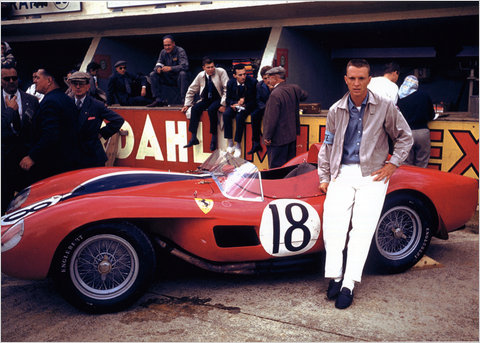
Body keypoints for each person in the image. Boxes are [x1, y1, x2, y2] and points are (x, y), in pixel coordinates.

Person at [318, 59, 413, 309]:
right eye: (353, 78)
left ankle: (349, 284)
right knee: (333, 227)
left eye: (362, 78)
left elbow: (405, 137)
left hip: (373, 175)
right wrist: (324, 177)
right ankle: (336, 277)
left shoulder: (385, 106)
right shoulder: (335, 110)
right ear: (346, 79)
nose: (357, 83)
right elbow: (327, 146)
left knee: (362, 229)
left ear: (369, 79)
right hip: (343, 173)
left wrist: (393, 164)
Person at [19, 68, 81, 183]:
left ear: (49, 80)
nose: (34, 81)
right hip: (66, 164)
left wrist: (32, 156)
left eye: (38, 77)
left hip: (52, 167)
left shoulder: (50, 102)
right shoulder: (66, 99)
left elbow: (50, 134)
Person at [1, 66, 39, 213]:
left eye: (14, 78)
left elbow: (37, 130)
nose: (11, 81)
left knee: (28, 203)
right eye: (7, 79)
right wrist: (10, 110)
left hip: (26, 160)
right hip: (4, 163)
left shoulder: (31, 100)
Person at [68, 71, 125, 168]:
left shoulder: (97, 105)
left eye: (81, 84)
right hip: (71, 157)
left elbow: (118, 120)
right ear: (71, 86)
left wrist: (102, 133)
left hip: (92, 157)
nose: (78, 87)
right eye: (75, 84)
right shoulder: (65, 103)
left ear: (88, 86)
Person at [263, 66, 308, 168]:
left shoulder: (275, 94)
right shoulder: (294, 88)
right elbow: (305, 95)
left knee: (276, 170)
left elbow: (272, 118)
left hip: (278, 140)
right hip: (291, 137)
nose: (268, 81)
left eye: (269, 78)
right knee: (289, 168)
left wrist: (267, 136)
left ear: (275, 78)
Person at [182, 56, 229, 151]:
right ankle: (193, 137)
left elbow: (226, 88)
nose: (211, 69)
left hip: (218, 99)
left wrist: (223, 104)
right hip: (206, 98)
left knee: (212, 110)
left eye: (212, 67)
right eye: (208, 67)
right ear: (203, 67)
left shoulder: (221, 72)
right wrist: (187, 104)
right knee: (195, 108)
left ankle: (214, 138)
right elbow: (191, 89)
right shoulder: (201, 75)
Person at [397, 75, 435, 168]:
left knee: (406, 163)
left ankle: (407, 182)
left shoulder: (398, 97)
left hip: (405, 134)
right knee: (422, 162)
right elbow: (431, 115)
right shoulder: (424, 95)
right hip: (422, 132)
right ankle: (419, 182)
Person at [223, 64, 257, 158]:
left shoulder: (253, 82)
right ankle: (230, 143)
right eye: (240, 75)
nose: (243, 77)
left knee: (240, 117)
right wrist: (234, 104)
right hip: (235, 105)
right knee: (226, 114)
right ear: (234, 76)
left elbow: (255, 100)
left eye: (244, 74)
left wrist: (244, 103)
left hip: (247, 106)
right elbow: (228, 99)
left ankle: (238, 145)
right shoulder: (230, 83)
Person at [148, 35, 189, 107]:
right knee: (153, 74)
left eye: (169, 45)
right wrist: (158, 68)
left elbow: (185, 66)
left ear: (173, 43)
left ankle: (184, 100)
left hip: (178, 78)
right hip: (168, 78)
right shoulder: (163, 52)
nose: (167, 47)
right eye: (165, 45)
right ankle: (158, 100)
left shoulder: (180, 51)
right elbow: (159, 63)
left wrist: (171, 68)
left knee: (183, 73)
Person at [247, 65, 272, 155]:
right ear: (262, 78)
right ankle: (256, 143)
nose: (267, 80)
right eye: (265, 78)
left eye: (269, 77)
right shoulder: (259, 85)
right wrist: (265, 108)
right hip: (264, 107)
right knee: (254, 115)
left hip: (274, 108)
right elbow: (258, 99)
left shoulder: (276, 85)